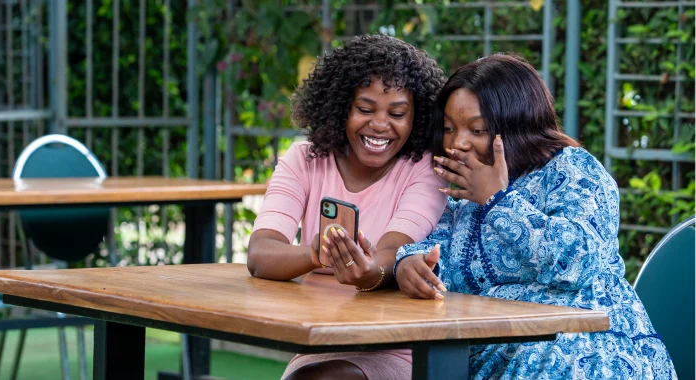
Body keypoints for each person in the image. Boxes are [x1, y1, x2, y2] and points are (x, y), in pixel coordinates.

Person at [394, 54, 677, 379]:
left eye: (478, 129)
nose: (458, 142)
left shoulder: (573, 171)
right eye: (448, 128)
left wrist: (498, 201)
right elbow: (433, 249)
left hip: (585, 349)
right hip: (489, 351)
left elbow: (576, 264)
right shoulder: (459, 191)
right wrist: (410, 264)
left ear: (517, 125)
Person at [247, 34, 448, 380]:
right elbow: (261, 253)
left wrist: (372, 272)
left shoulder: (423, 169)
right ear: (341, 107)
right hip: (323, 343)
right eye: (365, 109)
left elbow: (394, 248)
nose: (381, 125)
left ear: (416, 118)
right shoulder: (304, 160)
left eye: (397, 113)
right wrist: (317, 253)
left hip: (399, 347)